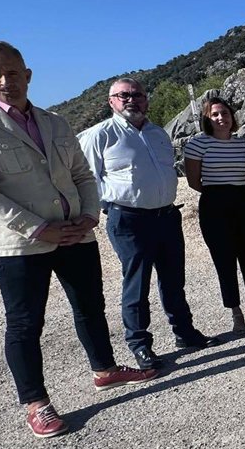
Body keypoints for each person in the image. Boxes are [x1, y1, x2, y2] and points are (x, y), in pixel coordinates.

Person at [0, 41, 155, 439]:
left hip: (76, 231)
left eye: (12, 71)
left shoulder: (55, 122)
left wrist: (90, 215)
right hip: (21, 244)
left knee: (91, 307)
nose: (6, 80)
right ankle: (36, 403)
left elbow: (82, 175)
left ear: (28, 73)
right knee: (25, 324)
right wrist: (40, 228)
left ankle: (105, 370)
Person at [79, 77, 218, 372]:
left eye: (138, 95)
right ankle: (140, 345)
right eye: (124, 95)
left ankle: (185, 333)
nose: (132, 100)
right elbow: (86, 180)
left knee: (173, 280)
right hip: (129, 220)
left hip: (167, 216)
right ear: (112, 102)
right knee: (136, 285)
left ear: (146, 99)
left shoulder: (158, 133)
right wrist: (107, 209)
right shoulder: (98, 135)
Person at [184, 97, 245, 334]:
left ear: (232, 116)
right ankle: (235, 312)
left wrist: (233, 192)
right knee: (224, 261)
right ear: (207, 118)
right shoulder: (197, 144)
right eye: (215, 114)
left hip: (244, 202)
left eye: (225, 113)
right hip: (214, 206)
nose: (221, 118)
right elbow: (193, 181)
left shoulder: (243, 144)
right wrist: (219, 193)